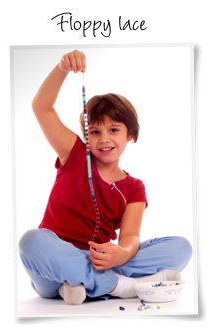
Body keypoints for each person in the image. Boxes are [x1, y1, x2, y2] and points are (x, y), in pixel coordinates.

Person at [19, 50, 192, 304]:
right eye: (95, 132)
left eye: (113, 130)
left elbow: (131, 236)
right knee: (31, 241)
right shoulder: (74, 153)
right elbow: (41, 107)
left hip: (100, 260)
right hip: (53, 267)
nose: (104, 139)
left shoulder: (134, 188)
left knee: (181, 247)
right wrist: (62, 68)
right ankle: (118, 286)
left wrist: (121, 254)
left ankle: (81, 285)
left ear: (130, 134)